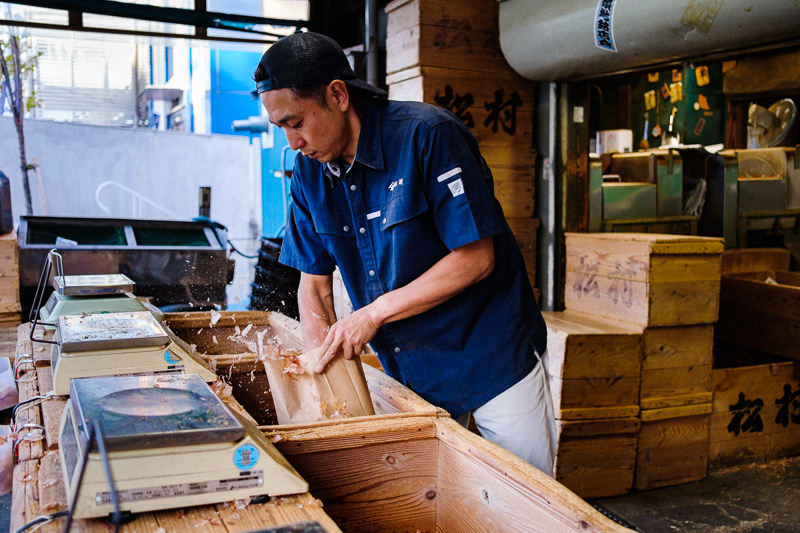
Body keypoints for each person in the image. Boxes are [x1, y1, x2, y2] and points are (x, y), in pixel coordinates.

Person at [254, 32, 555, 475]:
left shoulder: (428, 136)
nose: (293, 141)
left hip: (491, 357)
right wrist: (325, 378)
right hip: (411, 370)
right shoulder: (308, 174)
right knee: (437, 501)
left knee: (530, 501)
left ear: (337, 94)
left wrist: (372, 314)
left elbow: (476, 258)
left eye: (296, 122)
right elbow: (314, 287)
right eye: (280, 127)